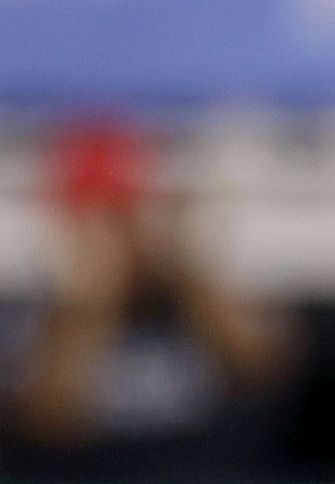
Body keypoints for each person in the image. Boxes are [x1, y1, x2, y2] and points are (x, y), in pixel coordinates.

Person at [1, 122, 297, 480]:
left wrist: (183, 263)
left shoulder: (192, 287)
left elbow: (262, 370)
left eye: (128, 212)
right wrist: (94, 298)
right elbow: (50, 419)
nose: (121, 232)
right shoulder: (40, 312)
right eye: (101, 217)